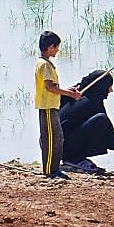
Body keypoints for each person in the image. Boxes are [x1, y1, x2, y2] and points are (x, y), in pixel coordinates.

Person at [60, 70, 114, 174]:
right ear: (101, 86)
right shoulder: (93, 101)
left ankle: (74, 157)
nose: (111, 90)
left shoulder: (73, 94)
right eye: (109, 86)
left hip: (57, 146)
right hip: (64, 148)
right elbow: (107, 131)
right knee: (101, 120)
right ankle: (74, 159)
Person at [35, 31, 80, 179]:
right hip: (47, 107)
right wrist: (69, 94)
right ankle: (49, 170)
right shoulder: (45, 65)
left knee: (58, 137)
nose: (58, 50)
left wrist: (68, 90)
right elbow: (49, 87)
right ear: (50, 47)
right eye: (56, 47)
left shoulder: (46, 64)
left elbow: (53, 86)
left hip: (52, 106)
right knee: (50, 139)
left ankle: (54, 168)